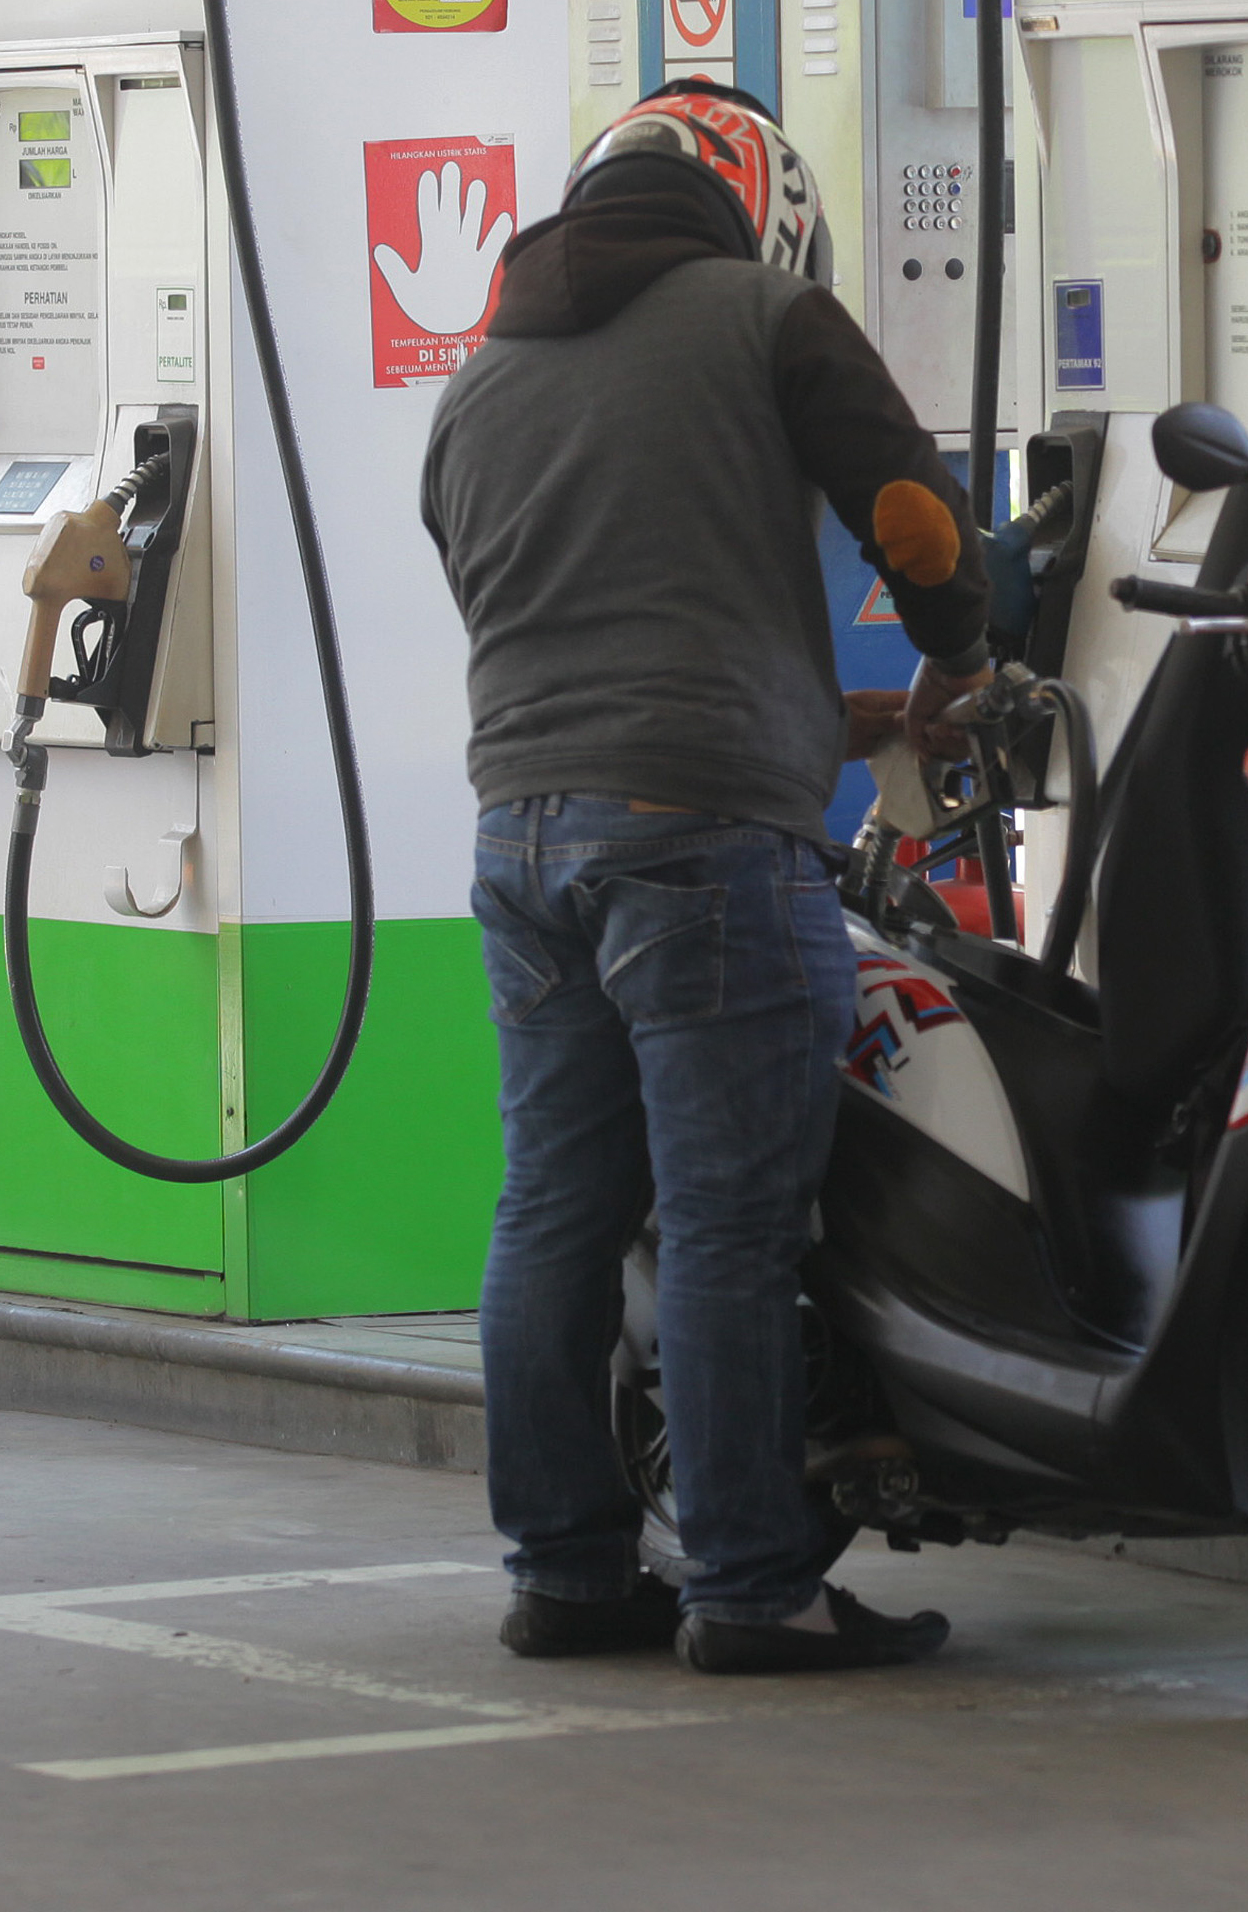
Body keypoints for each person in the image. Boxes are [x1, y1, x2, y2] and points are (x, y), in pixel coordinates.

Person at [422, 81, 993, 1676]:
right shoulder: (768, 317)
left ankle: (569, 1572)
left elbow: (552, 607)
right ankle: (753, 1587)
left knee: (554, 1208)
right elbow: (915, 524)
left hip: (521, 836)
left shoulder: (479, 385)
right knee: (733, 1223)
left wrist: (814, 713)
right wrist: (958, 661)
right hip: (708, 846)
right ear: (751, 204)